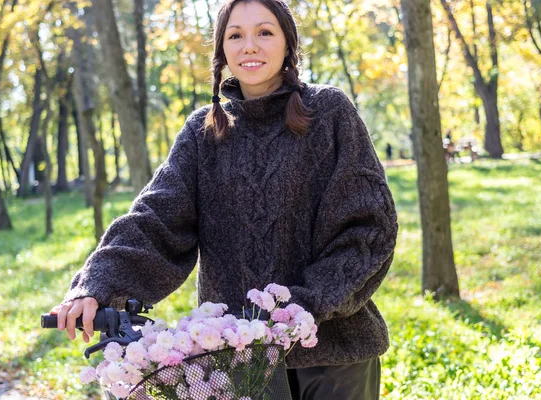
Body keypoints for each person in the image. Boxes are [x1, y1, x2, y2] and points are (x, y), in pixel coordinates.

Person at [51, 0, 398, 398]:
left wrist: (300, 308)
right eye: (236, 35)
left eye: (264, 32)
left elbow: (369, 228)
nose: (250, 45)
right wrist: (96, 285)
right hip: (237, 361)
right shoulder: (203, 134)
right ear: (222, 51)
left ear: (288, 44)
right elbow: (155, 220)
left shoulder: (330, 113)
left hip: (336, 354)